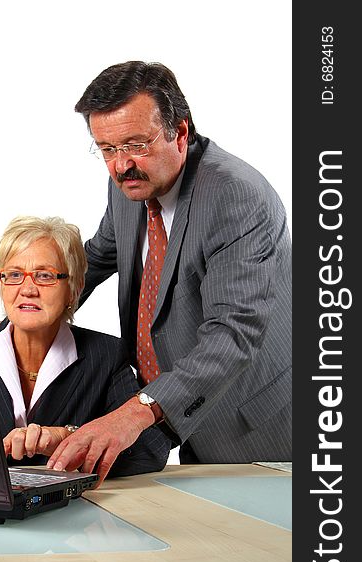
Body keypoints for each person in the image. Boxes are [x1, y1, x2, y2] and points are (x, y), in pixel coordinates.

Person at [45, 61, 292, 483]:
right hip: (186, 413)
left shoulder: (237, 198)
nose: (121, 165)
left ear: (180, 132)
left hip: (262, 428)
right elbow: (100, 256)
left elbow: (232, 334)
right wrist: (25, 315)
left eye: (136, 144)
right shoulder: (131, 184)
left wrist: (135, 411)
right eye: (106, 148)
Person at [0, 215, 171, 478]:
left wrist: (66, 438)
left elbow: (150, 450)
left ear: (74, 289)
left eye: (44, 275)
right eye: (14, 274)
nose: (27, 289)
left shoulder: (106, 355)